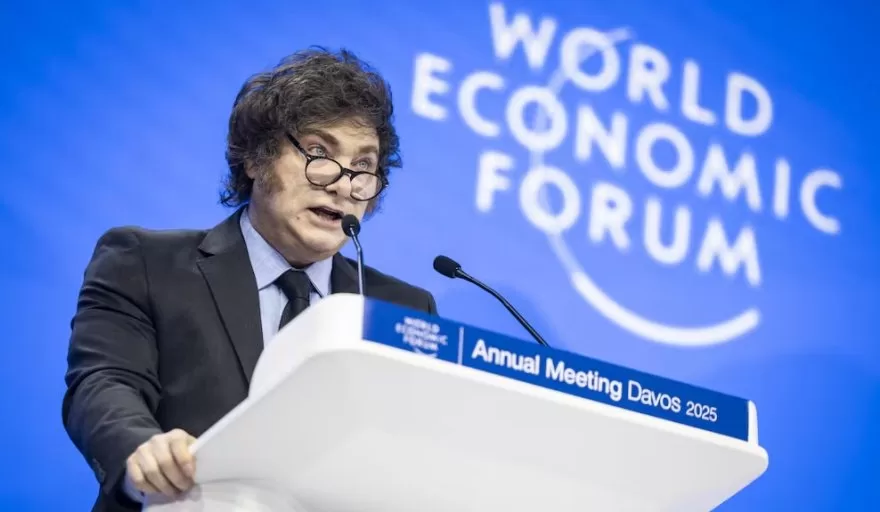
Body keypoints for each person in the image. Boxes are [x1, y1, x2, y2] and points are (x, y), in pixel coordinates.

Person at [61, 47, 437, 512]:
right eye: (319, 152)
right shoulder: (145, 262)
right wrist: (142, 448)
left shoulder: (402, 310)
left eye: (364, 166)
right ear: (256, 159)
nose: (344, 184)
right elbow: (104, 383)